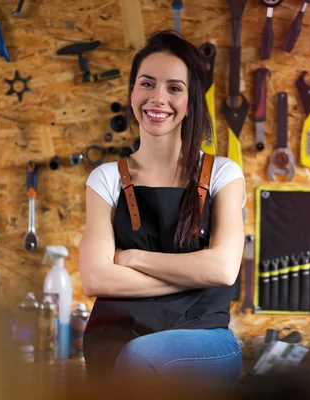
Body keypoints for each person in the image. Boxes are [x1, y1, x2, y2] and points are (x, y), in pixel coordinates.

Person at [79, 30, 246, 398]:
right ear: (132, 93)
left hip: (207, 341)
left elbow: (221, 269)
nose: (158, 98)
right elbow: (95, 279)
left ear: (190, 100)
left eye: (174, 88)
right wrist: (195, 277)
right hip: (115, 340)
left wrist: (134, 258)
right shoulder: (105, 179)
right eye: (147, 84)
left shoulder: (223, 174)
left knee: (142, 358)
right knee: (132, 358)